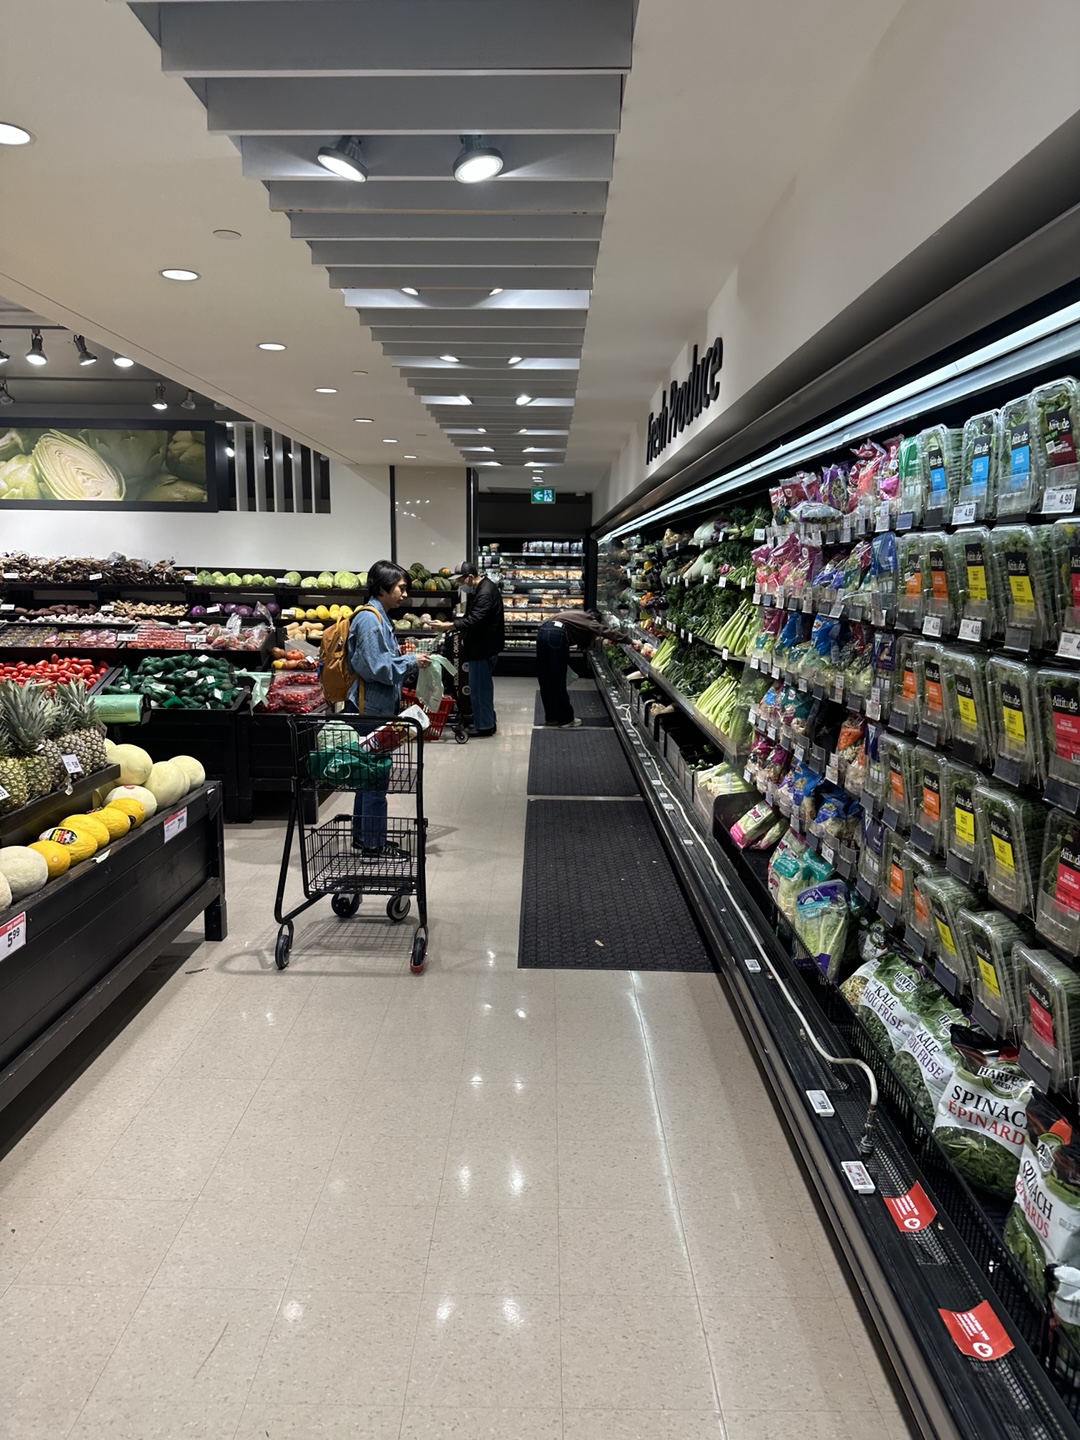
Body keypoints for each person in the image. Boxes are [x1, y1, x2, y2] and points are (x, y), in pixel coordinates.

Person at [346, 559, 431, 856]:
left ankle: (363, 835)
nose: (404, 594)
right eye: (400, 588)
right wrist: (410, 662)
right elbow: (377, 667)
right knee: (375, 779)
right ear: (382, 587)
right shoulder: (371, 621)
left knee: (366, 776)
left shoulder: (378, 616)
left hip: (373, 706)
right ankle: (373, 843)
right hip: (371, 709)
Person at [432, 559, 504, 737]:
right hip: (484, 647)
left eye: (461, 580)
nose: (459, 584)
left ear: (470, 577)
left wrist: (449, 626)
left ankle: (484, 726)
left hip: (482, 648)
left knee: (479, 689)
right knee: (482, 687)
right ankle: (486, 721)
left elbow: (475, 620)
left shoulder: (485, 592)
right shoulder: (482, 588)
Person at [536, 608, 624, 728]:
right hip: (556, 634)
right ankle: (565, 719)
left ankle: (551, 717)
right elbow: (605, 631)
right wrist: (629, 640)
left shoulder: (574, 617)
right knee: (558, 680)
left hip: (542, 632)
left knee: (545, 679)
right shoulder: (589, 619)